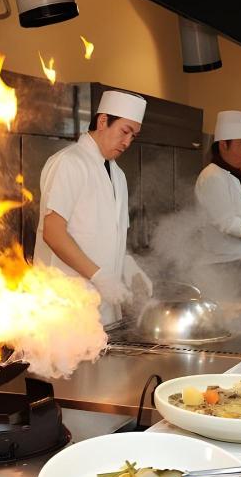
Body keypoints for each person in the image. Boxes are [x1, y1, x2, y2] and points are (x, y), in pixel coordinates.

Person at [32, 90, 152, 325]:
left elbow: (111, 236)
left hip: (104, 308)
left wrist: (128, 264)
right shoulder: (69, 162)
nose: (127, 142)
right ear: (103, 121)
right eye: (125, 131)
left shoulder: (117, 174)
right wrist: (100, 277)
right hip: (67, 306)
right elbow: (53, 232)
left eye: (133, 136)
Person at [194, 110, 241, 264]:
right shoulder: (212, 176)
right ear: (223, 145)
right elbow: (229, 223)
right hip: (223, 264)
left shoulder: (235, 176)